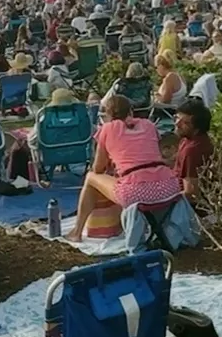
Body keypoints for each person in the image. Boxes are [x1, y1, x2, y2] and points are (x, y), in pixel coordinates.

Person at [68, 94, 180, 240]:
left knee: (91, 177)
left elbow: (98, 169)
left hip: (136, 192)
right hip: (169, 187)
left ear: (107, 114)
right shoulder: (148, 125)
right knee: (126, 178)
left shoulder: (107, 129)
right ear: (130, 111)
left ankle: (77, 232)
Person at [173, 97, 214, 202]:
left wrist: (166, 201)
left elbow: (191, 193)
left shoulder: (192, 150)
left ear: (197, 127)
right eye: (177, 118)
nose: (177, 124)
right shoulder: (187, 140)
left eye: (185, 123)